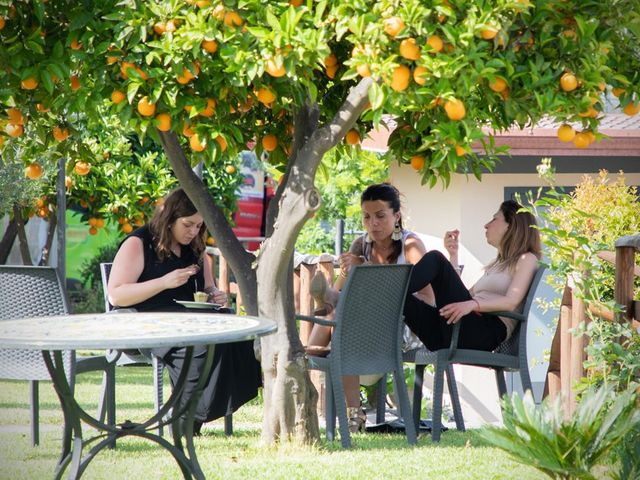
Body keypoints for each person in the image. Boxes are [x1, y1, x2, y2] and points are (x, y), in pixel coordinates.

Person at [107, 188, 261, 435]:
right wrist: (164, 282)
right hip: (142, 323)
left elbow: (208, 288)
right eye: (187, 225)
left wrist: (214, 294)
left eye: (199, 226)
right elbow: (116, 294)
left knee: (235, 335)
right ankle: (185, 421)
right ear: (169, 219)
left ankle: (194, 415)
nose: (193, 232)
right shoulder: (139, 243)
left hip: (189, 322)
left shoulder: (196, 250)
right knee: (198, 345)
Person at [306, 182, 435, 433]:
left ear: (396, 216)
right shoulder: (361, 245)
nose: (372, 223)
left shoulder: (410, 246)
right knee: (335, 310)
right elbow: (340, 293)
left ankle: (309, 357)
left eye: (380, 216)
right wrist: (336, 283)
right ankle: (351, 409)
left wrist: (366, 271)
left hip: (407, 325)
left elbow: (427, 297)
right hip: (361, 326)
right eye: (366, 217)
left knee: (338, 316)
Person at [403, 200, 541, 353]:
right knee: (401, 300)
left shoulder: (527, 259)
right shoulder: (495, 265)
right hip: (456, 330)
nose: (486, 225)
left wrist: (473, 305)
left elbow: (511, 302)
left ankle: (387, 290)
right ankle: (388, 293)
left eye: (494, 219)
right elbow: (462, 297)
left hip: (484, 331)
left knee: (435, 258)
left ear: (511, 224)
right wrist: (453, 256)